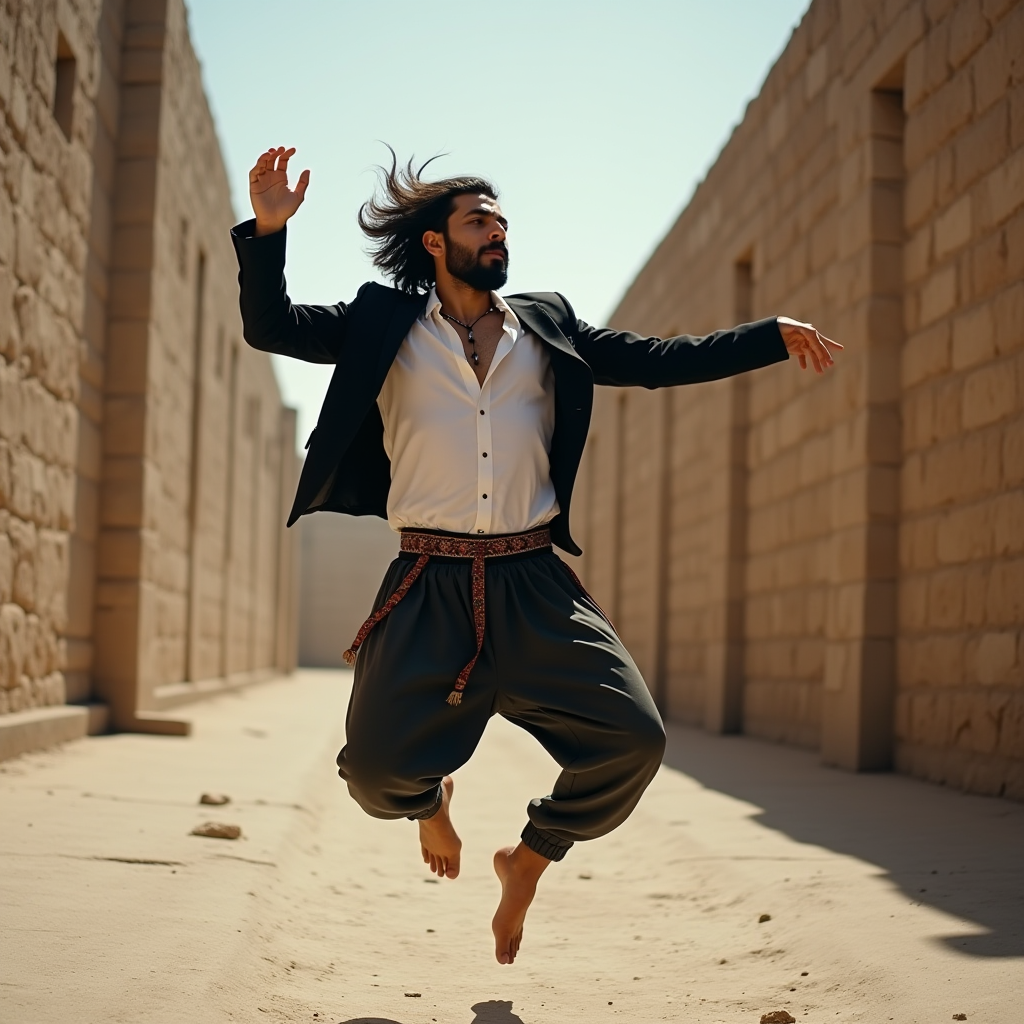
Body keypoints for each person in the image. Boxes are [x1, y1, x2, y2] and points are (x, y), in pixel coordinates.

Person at [231, 145, 842, 965]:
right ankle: (431, 801)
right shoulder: (384, 323)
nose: (499, 233)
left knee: (635, 742)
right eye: (480, 221)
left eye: (504, 223)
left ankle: (528, 857)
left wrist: (769, 335)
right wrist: (269, 231)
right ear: (436, 243)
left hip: (534, 583)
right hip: (426, 579)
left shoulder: (545, 324)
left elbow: (658, 360)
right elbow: (270, 327)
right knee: (375, 776)